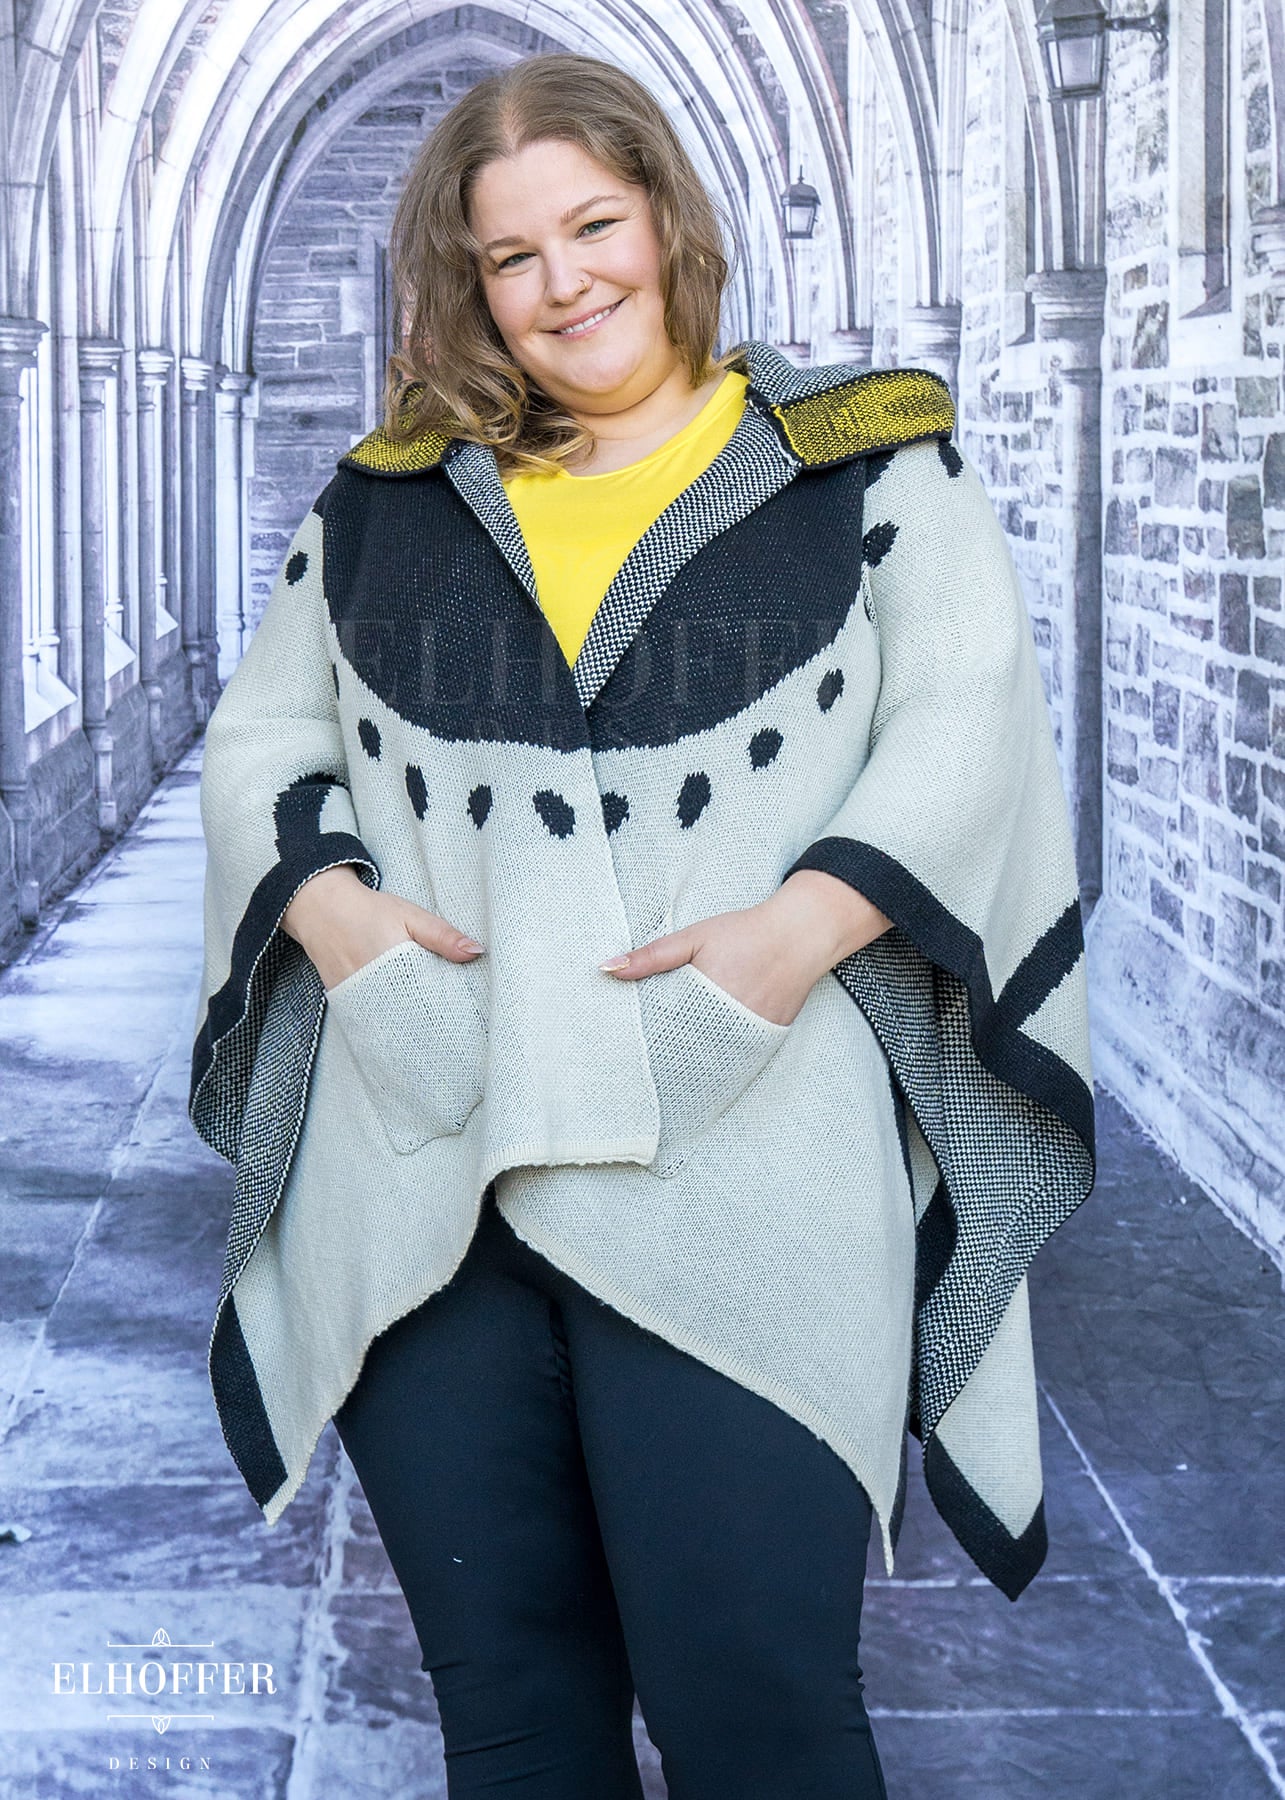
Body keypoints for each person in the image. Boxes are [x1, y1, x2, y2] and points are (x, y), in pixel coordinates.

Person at [188, 50, 1096, 1800]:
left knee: (759, 1719)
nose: (562, 282)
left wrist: (785, 945)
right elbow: (263, 745)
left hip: (745, 1153)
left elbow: (963, 724)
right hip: (431, 1163)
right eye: (509, 255)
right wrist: (341, 922)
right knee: (514, 1723)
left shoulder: (862, 459)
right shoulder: (389, 495)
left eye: (591, 226)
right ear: (469, 283)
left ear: (666, 218)